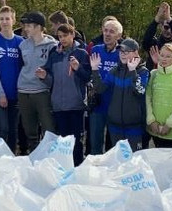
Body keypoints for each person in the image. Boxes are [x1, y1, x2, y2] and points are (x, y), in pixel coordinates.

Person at [37, 24, 91, 165]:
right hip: (58, 106)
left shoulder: (81, 53)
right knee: (62, 140)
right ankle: (64, 167)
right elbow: (50, 80)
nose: (62, 39)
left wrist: (78, 68)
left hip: (76, 105)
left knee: (76, 141)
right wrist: (43, 76)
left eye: (65, 35)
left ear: (72, 35)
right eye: (60, 37)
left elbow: (87, 78)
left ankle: (78, 166)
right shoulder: (54, 54)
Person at [90, 37, 149, 150]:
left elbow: (140, 91)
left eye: (126, 52)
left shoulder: (142, 71)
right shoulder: (115, 71)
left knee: (134, 162)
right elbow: (100, 89)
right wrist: (95, 69)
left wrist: (132, 72)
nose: (122, 54)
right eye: (121, 51)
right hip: (115, 126)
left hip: (134, 127)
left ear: (135, 52)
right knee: (118, 161)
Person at [17, 11, 57, 152]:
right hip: (23, 92)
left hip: (42, 92)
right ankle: (33, 156)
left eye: (29, 25)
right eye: (25, 26)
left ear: (39, 27)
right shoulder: (23, 45)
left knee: (49, 130)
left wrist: (45, 76)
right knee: (30, 131)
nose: (26, 29)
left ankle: (50, 157)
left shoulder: (52, 45)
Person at [0, 5, 22, 151]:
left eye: (7, 18)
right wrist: (0, 93)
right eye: (2, 19)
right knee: (3, 128)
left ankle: (12, 158)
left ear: (13, 20)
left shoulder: (21, 42)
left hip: (17, 93)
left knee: (14, 129)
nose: (5, 22)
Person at [88, 19, 122, 154]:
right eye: (105, 31)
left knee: (113, 146)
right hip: (97, 104)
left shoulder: (122, 53)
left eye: (112, 32)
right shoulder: (96, 50)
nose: (107, 34)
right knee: (95, 144)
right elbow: (88, 72)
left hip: (115, 104)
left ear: (118, 36)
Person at [146, 43, 172, 148]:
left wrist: (169, 124)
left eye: (168, 56)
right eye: (162, 55)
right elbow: (147, 98)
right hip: (154, 129)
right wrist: (151, 121)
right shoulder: (153, 74)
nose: (164, 59)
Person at [142, 2, 172, 69]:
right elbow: (146, 41)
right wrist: (156, 20)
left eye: (171, 28)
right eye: (166, 27)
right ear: (161, 26)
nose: (169, 31)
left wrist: (169, 19)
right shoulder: (154, 44)